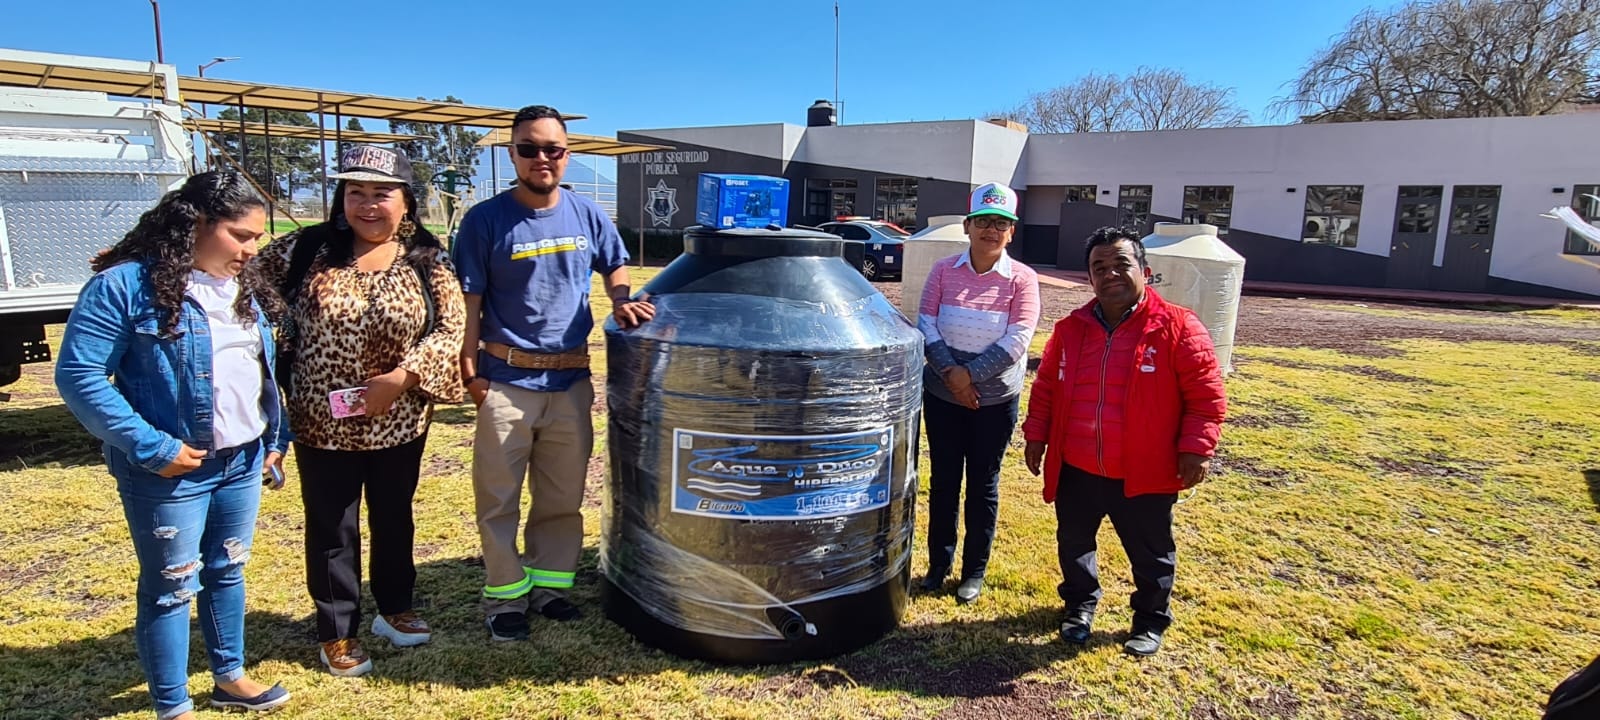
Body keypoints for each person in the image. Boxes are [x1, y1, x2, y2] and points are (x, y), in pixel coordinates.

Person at [55, 171, 292, 718]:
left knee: (228, 569)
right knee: (170, 587)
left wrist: (273, 437)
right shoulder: (124, 285)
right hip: (169, 471)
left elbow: (256, 370)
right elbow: (80, 374)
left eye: (257, 236)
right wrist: (152, 446)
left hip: (242, 459)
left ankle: (229, 678)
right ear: (196, 225)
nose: (252, 249)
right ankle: (172, 704)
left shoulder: (241, 286)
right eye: (241, 235)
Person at [256, 144, 465, 676]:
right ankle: (337, 630)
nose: (368, 206)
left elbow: (451, 327)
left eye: (382, 193)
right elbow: (243, 279)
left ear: (406, 201)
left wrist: (400, 379)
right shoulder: (307, 250)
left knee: (396, 518)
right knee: (332, 528)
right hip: (321, 421)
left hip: (400, 417)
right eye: (356, 193)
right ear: (341, 199)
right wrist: (278, 325)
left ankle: (395, 608)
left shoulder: (427, 257)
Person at [455, 104, 655, 641]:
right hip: (506, 382)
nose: (541, 159)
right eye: (529, 149)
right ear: (512, 152)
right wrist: (471, 369)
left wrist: (619, 298)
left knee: (562, 498)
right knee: (498, 498)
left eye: (553, 149)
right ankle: (504, 598)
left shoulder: (587, 214)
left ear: (567, 155)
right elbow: (470, 300)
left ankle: (549, 590)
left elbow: (615, 262)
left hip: (569, 384)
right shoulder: (485, 220)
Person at [1022, 226, 1226, 656]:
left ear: (1145, 271)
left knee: (1151, 555)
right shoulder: (1071, 329)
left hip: (1144, 469)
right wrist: (1036, 436)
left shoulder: (1178, 327)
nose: (1110, 273)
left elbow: (1206, 397)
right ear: (1090, 278)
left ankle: (1149, 620)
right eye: (1099, 267)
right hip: (1077, 467)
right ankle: (1080, 604)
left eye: (1121, 264)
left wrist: (1196, 448)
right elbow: (1045, 390)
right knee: (1074, 544)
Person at [915, 182, 1041, 604]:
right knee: (945, 480)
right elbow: (926, 323)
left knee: (983, 485)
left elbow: (1019, 336)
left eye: (1001, 223)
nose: (992, 230)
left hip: (994, 401)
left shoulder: (1022, 279)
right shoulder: (943, 271)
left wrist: (969, 378)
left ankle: (974, 571)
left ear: (1011, 232)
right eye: (984, 221)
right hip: (943, 396)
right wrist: (952, 375)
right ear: (967, 226)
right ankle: (938, 565)